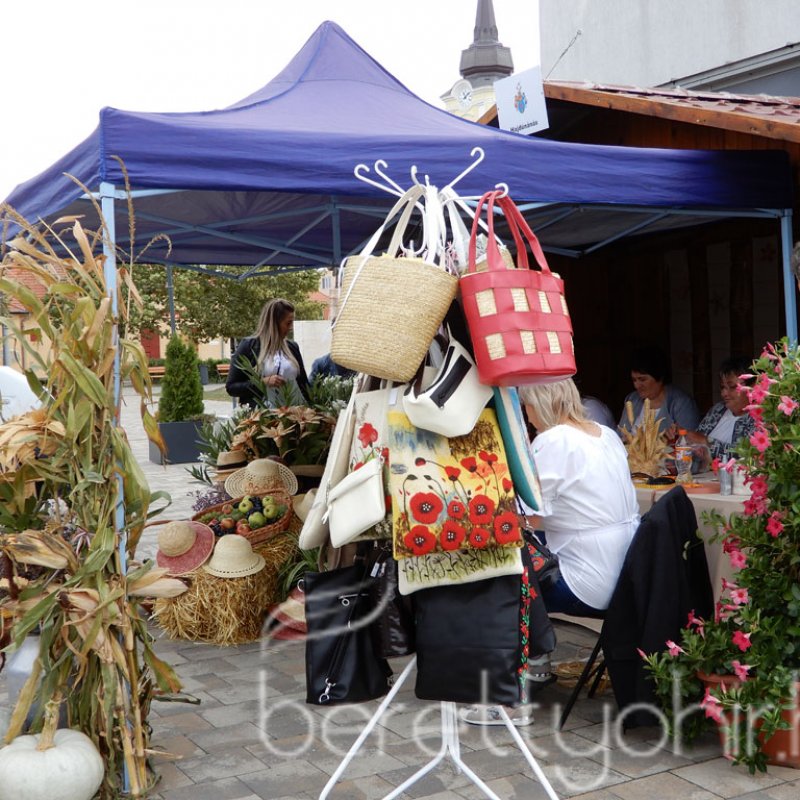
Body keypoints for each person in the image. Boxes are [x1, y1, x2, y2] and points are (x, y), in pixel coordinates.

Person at [462, 378, 640, 728]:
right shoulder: (605, 434)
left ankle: (508, 699)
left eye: (526, 406)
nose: (526, 416)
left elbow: (524, 514)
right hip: (623, 575)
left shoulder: (555, 440)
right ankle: (536, 662)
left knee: (497, 579)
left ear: (539, 404)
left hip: (588, 581)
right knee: (526, 555)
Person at [225, 298, 309, 408]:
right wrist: (263, 383)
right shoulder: (249, 346)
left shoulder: (292, 347)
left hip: (294, 414)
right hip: (262, 415)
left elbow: (304, 386)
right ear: (274, 323)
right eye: (288, 323)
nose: (291, 328)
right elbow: (231, 387)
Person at [618, 345, 699, 438]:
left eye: (642, 380)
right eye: (634, 380)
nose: (636, 386)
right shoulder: (632, 399)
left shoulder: (681, 403)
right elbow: (620, 434)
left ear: (659, 378)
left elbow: (690, 440)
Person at [685, 356, 755, 462]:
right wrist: (681, 436)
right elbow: (696, 441)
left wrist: (707, 442)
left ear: (753, 387)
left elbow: (746, 458)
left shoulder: (759, 419)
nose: (724, 393)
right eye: (722, 387)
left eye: (732, 387)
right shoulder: (718, 410)